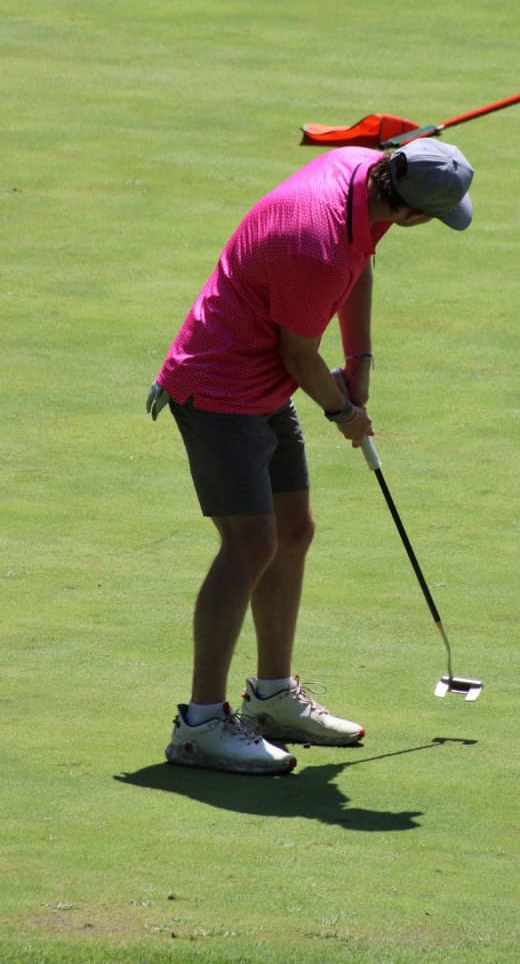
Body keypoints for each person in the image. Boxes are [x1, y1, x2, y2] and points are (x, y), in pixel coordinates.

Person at [146, 138, 474, 775]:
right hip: (219, 387)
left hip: (262, 382)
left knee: (293, 530)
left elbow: (361, 265)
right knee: (249, 545)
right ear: (411, 212)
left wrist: (360, 362)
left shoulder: (361, 170)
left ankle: (272, 698)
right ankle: (200, 725)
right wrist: (344, 412)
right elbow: (299, 355)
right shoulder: (317, 248)